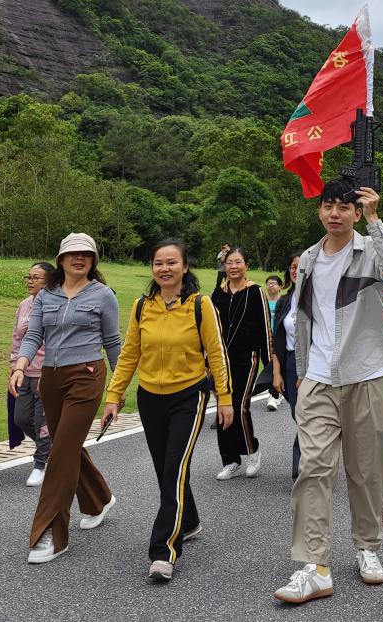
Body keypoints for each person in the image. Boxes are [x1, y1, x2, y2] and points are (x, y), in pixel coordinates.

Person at [273, 182, 383, 605]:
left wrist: (374, 218)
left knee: (368, 471)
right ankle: (314, 566)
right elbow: (304, 319)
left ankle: (367, 546)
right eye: (328, 206)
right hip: (317, 377)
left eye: (344, 207)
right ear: (320, 212)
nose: (334, 213)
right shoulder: (309, 259)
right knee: (312, 469)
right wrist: (300, 373)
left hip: (367, 373)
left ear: (355, 212)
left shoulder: (369, 250)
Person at [102, 239, 235, 581]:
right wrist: (114, 397)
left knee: (174, 470)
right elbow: (130, 353)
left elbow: (217, 354)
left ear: (185, 267)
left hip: (188, 398)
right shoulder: (141, 306)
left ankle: (164, 551)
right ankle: (188, 521)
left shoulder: (200, 305)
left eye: (171, 262)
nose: (164, 268)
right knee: (167, 471)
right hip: (150, 398)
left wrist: (225, 398)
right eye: (158, 263)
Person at [10, 233, 121, 564]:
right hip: (51, 379)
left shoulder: (103, 295)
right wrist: (20, 366)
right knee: (66, 445)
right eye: (72, 253)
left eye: (86, 254)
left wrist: (119, 387)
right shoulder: (47, 295)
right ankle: (98, 498)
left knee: (59, 453)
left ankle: (50, 533)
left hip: (86, 376)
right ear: (60, 259)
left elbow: (113, 341)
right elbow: (34, 334)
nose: (79, 258)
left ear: (93, 260)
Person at [212, 246, 272, 480]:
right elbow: (209, 329)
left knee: (239, 406)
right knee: (222, 409)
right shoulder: (218, 294)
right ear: (224, 266)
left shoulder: (255, 292)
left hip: (247, 357)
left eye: (238, 262)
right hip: (220, 361)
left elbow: (266, 330)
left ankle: (252, 450)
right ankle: (230, 460)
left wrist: (270, 367)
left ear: (246, 265)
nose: (233, 266)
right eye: (229, 262)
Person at [10, 261, 55, 487]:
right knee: (20, 418)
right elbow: (17, 339)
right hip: (24, 372)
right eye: (28, 277)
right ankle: (51, 449)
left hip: (46, 374)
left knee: (42, 420)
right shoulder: (24, 305)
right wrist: (14, 367)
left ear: (49, 281)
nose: (30, 281)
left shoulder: (55, 305)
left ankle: (41, 463)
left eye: (35, 278)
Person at [271, 252, 304, 478]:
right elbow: (277, 339)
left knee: (307, 416)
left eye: (300, 267)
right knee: (297, 414)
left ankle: (301, 470)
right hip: (290, 363)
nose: (295, 271)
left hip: (314, 364)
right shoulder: (284, 300)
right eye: (292, 267)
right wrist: (277, 373)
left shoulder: (319, 298)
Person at [264, 275, 285, 411]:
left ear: (280, 286)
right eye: (268, 283)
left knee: (276, 366)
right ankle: (276, 392)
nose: (270, 285)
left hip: (279, 338)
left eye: (273, 283)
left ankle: (274, 396)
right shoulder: (263, 302)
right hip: (265, 338)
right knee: (268, 365)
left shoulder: (283, 302)